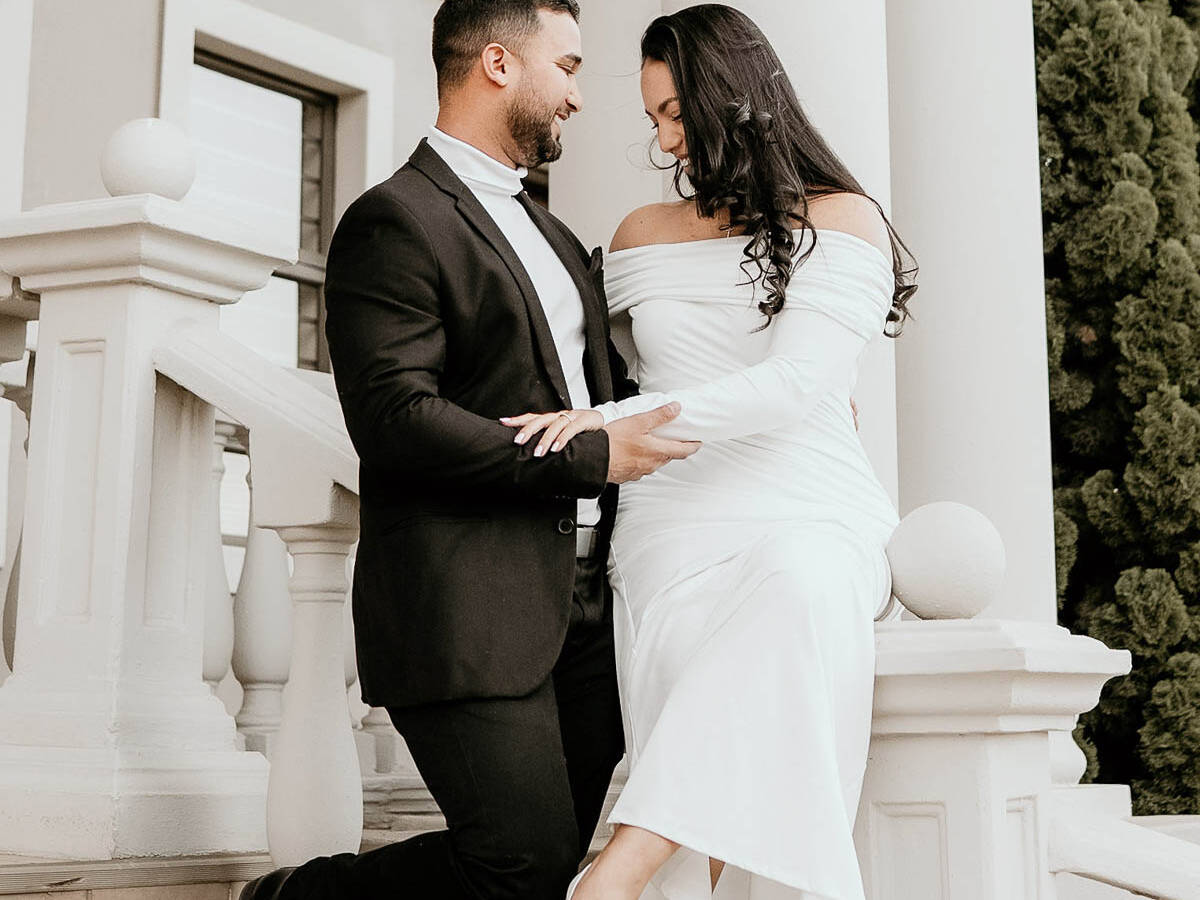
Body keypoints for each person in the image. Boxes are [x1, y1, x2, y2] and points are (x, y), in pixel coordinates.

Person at [238, 2, 699, 899]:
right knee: (519, 863)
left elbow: (609, 396)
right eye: (566, 67)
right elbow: (397, 419)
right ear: (497, 62)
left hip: (593, 605)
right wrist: (586, 459)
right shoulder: (393, 220)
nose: (576, 95)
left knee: (543, 868)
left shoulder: (555, 235)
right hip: (467, 605)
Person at [502, 6, 917, 899]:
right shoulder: (640, 234)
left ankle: (617, 873)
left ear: (735, 96)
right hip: (672, 523)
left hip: (812, 504)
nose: (664, 138)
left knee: (801, 583)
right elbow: (579, 357)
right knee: (715, 671)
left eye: (674, 113)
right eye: (654, 117)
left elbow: (793, 385)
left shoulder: (842, 218)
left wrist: (611, 421)